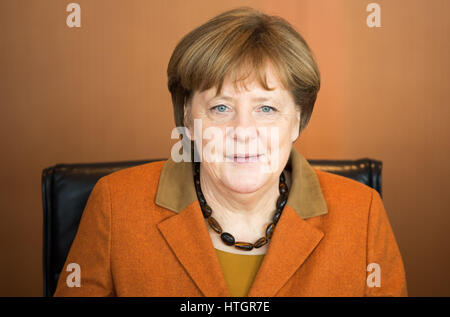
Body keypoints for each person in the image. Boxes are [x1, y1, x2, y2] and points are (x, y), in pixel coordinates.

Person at [53, 6, 407, 297]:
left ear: (297, 120)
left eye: (266, 109)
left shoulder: (362, 216)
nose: (243, 132)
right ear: (188, 121)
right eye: (221, 108)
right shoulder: (116, 205)